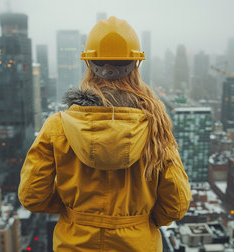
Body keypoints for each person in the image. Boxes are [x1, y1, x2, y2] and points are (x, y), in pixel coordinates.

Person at [18, 16, 191, 251]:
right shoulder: (155, 128)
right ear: (135, 65)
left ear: (89, 64)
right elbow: (176, 204)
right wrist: (140, 222)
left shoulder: (57, 127)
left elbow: (32, 196)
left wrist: (73, 211)